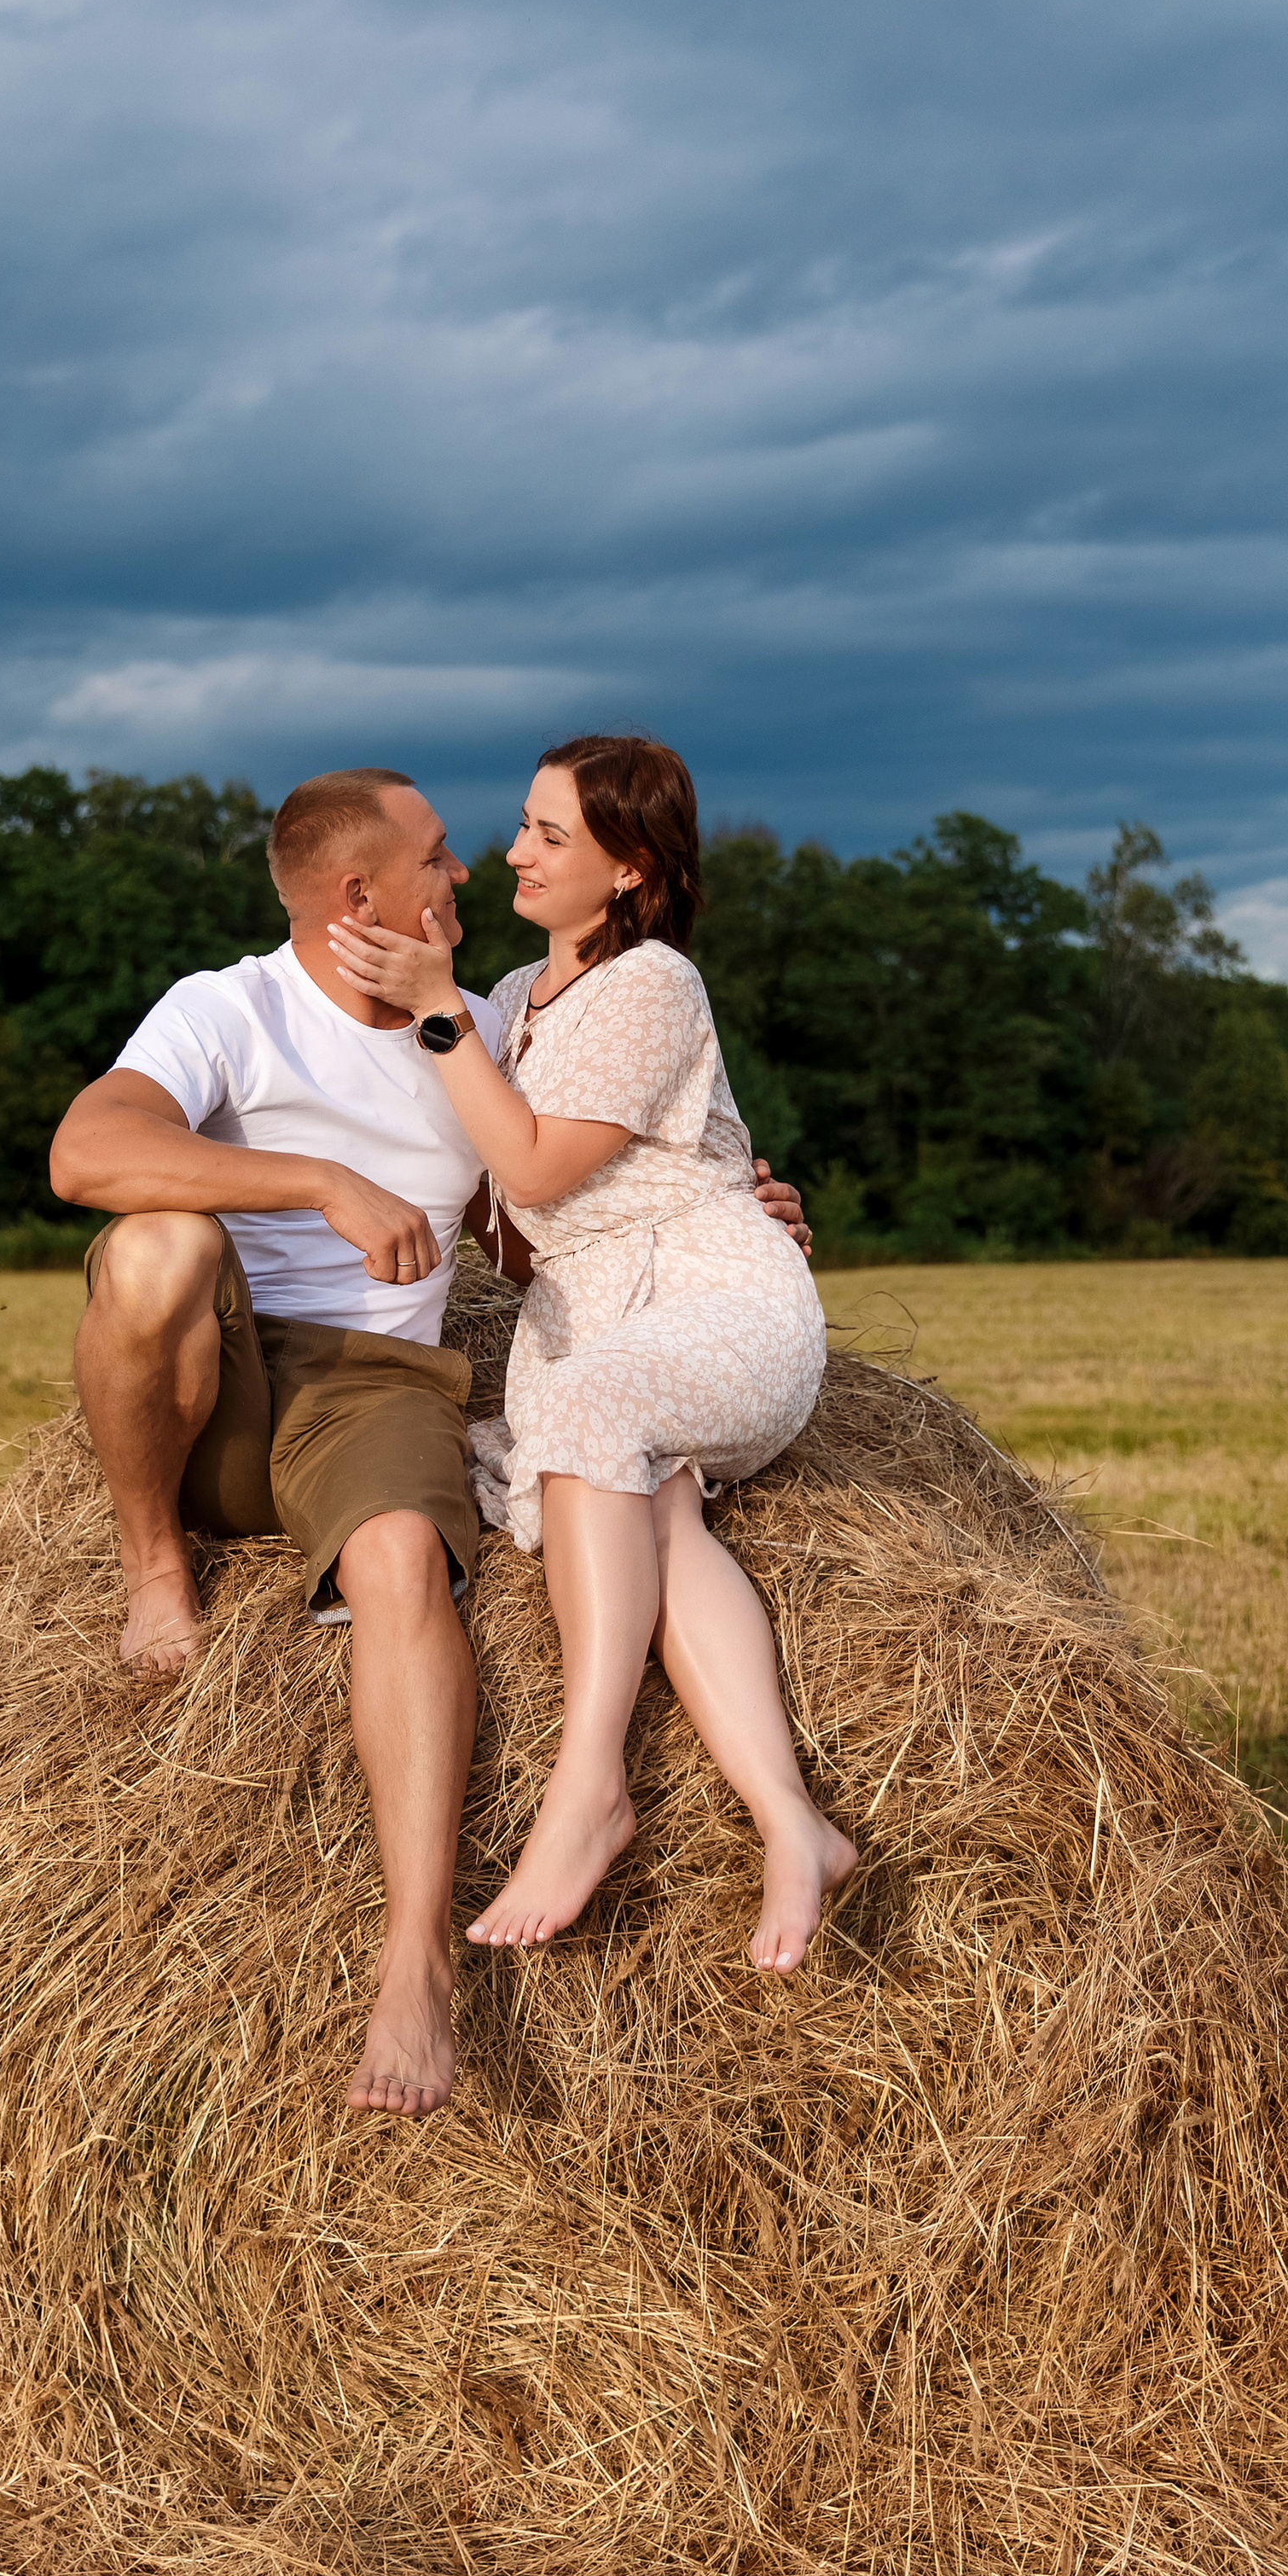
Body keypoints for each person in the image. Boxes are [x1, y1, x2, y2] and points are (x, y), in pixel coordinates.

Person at [47, 765, 809, 2120]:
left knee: (404, 1557)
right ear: (361, 894)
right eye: (443, 854)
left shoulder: (476, 1027)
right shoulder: (231, 1007)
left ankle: (418, 1969)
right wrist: (320, 1183)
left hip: (380, 1387)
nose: (471, 871)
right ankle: (153, 1561)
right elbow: (84, 1155)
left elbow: (540, 1207)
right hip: (223, 1366)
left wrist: (725, 1210)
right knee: (155, 1250)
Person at [328, 733, 857, 1978]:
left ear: (631, 870)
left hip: (719, 1299)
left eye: (550, 835)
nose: (515, 851)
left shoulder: (654, 982)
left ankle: (588, 1783)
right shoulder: (513, 997)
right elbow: (508, 1229)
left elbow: (534, 1168)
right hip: (593, 1322)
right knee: (653, 1511)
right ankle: (795, 1824)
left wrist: (437, 1011)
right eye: (522, 823)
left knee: (595, 1412)